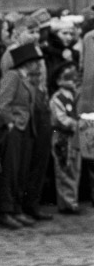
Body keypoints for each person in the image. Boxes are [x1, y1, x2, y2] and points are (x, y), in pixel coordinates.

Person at [0, 43, 42, 229]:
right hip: (12, 129)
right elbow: (3, 103)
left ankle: (15, 208)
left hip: (24, 128)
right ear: (26, 62)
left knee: (20, 170)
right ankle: (5, 211)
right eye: (34, 62)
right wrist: (11, 123)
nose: (37, 65)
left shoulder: (26, 79)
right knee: (10, 170)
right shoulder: (12, 76)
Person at [50, 63, 83, 214]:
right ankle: (66, 202)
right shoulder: (58, 98)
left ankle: (72, 200)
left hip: (75, 136)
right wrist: (75, 124)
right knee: (64, 167)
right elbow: (60, 118)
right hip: (62, 136)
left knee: (75, 168)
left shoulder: (76, 95)